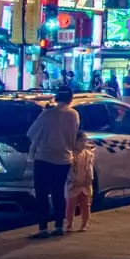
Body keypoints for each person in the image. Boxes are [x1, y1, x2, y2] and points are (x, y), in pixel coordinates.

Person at [26, 87, 81, 238]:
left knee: (42, 194)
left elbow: (31, 133)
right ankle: (59, 226)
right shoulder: (74, 115)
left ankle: (43, 229)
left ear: (56, 98)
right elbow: (73, 136)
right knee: (58, 192)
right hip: (64, 159)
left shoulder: (47, 114)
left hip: (44, 158)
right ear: (70, 99)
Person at [64, 132, 95, 233]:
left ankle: (84, 223)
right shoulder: (70, 155)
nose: (83, 143)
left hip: (85, 185)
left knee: (85, 205)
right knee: (70, 206)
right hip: (73, 185)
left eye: (85, 141)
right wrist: (73, 180)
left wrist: (89, 179)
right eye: (80, 141)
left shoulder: (88, 155)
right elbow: (69, 170)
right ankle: (69, 224)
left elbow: (89, 168)